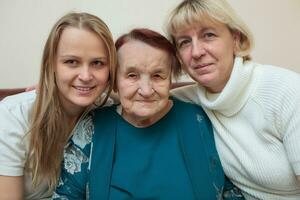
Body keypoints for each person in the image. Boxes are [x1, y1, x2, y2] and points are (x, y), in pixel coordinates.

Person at [52, 28, 232, 200]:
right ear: (114, 81)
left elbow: (232, 191)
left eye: (157, 76)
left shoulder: (199, 120)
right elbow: (66, 195)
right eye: (132, 75)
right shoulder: (92, 128)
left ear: (170, 80)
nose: (146, 91)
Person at [166, 0, 300, 199]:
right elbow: (132, 97)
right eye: (184, 42)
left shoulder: (286, 89)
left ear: (236, 39)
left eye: (208, 35)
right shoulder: (190, 98)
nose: (196, 52)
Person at [0, 12, 116, 199]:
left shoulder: (107, 110)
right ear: (51, 64)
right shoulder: (13, 115)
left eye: (97, 63)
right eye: (71, 62)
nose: (86, 76)